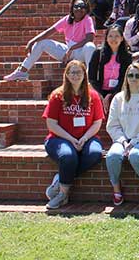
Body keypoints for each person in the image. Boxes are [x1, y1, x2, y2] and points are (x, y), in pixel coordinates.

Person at [42, 60, 105, 209]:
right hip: (59, 139)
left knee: (95, 153)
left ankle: (61, 178)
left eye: (79, 72)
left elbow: (97, 123)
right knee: (68, 156)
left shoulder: (93, 96)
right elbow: (51, 124)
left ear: (84, 74)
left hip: (86, 138)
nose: (75, 75)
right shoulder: (57, 96)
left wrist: (84, 138)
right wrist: (71, 139)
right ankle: (63, 195)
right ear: (67, 75)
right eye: (72, 72)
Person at [105, 62, 139, 207]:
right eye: (130, 75)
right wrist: (123, 142)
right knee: (112, 156)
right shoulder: (118, 98)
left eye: (137, 75)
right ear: (126, 78)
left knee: (135, 155)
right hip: (123, 140)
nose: (134, 78)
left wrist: (135, 141)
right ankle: (116, 189)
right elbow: (112, 125)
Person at [4, 0, 96, 81]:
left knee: (90, 46)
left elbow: (89, 39)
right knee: (41, 42)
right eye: (76, 6)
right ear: (72, 8)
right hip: (68, 52)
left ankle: (90, 77)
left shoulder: (87, 19)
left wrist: (72, 48)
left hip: (80, 52)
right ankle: (22, 72)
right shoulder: (67, 19)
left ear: (86, 9)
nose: (79, 9)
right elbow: (48, 32)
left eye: (82, 6)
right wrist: (32, 41)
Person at [88, 25, 133, 112]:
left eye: (117, 36)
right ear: (106, 38)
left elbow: (125, 79)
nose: (113, 39)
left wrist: (111, 95)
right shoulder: (98, 54)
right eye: (110, 36)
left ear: (122, 38)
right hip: (100, 92)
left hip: (119, 92)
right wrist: (102, 95)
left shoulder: (127, 56)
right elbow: (92, 77)